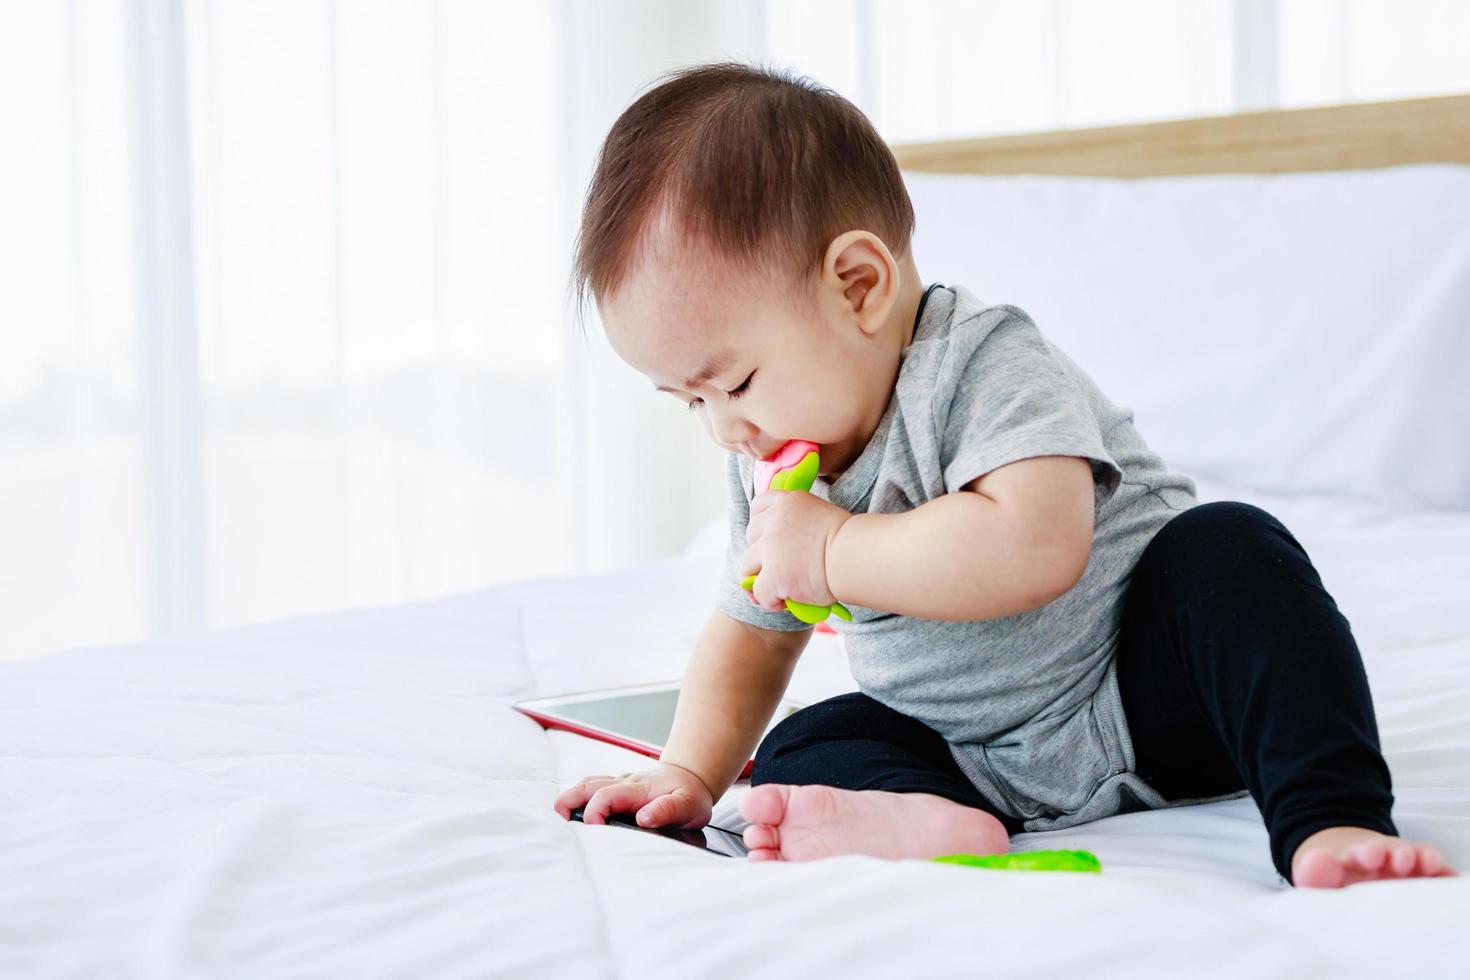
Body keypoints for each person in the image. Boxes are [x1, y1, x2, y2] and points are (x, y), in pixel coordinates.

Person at [551, 61, 1453, 888]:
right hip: (976, 753)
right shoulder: (772, 460)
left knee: (1236, 551)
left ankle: (1327, 819)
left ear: (859, 285)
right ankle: (935, 821)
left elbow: (1033, 545)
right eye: (689, 401)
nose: (723, 427)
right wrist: (688, 773)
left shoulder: (982, 365)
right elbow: (749, 632)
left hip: (1152, 699)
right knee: (805, 743)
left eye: (736, 382)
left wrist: (835, 553)